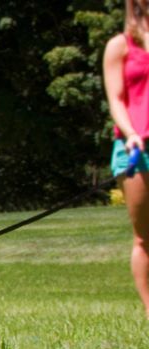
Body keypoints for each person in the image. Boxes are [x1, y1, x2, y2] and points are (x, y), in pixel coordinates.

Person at [104, 0, 149, 318]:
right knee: (144, 237)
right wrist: (131, 131)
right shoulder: (120, 46)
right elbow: (116, 98)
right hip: (136, 149)